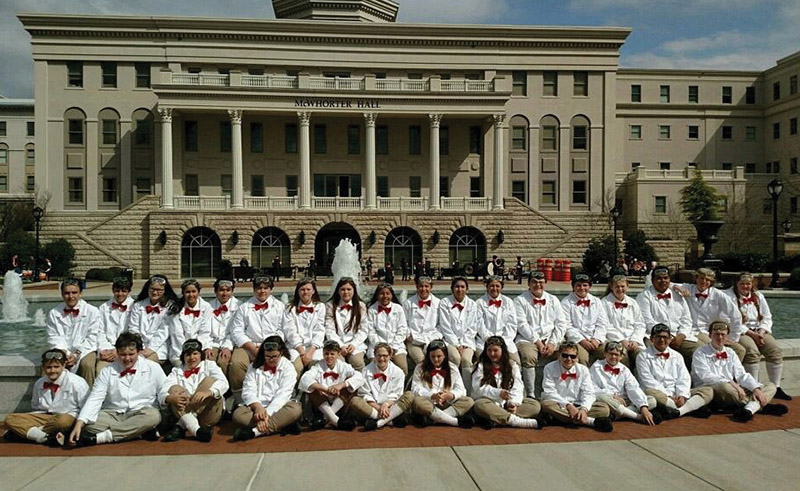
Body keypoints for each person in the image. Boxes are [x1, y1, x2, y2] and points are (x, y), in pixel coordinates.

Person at [67, 332, 165, 446]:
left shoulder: (153, 367)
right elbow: (95, 397)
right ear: (117, 353)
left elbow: (164, 390)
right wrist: (80, 423)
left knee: (153, 416)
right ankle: (139, 432)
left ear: (139, 352)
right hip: (113, 414)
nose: (127, 358)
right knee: (88, 425)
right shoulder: (107, 371)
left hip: (142, 412)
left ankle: (102, 438)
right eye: (123, 354)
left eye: (131, 354)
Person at [691, 320, 788, 422]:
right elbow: (706, 376)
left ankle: (748, 409)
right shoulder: (700, 353)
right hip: (712, 388)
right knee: (725, 387)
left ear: (727, 336)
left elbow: (741, 374)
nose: (720, 337)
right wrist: (732, 383)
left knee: (771, 386)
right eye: (716, 334)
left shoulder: (730, 352)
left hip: (733, 390)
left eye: (723, 334)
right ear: (710, 335)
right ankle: (759, 405)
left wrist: (755, 389)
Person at [724, 272, 792, 401]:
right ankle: (753, 387)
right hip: (741, 331)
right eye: (742, 283)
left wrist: (761, 331)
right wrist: (752, 334)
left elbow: (767, 316)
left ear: (752, 284)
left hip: (759, 330)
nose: (745, 286)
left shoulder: (758, 296)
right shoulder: (729, 297)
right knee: (752, 352)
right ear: (736, 284)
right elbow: (731, 320)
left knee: (775, 351)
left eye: (748, 283)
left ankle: (776, 387)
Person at [2, 349, 89, 445]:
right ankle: (45, 437)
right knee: (10, 419)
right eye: (48, 367)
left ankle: (26, 434)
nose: (52, 371)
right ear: (43, 367)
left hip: (67, 416)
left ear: (64, 365)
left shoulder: (77, 383)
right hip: (44, 416)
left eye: (56, 367)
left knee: (63, 422)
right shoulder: (39, 383)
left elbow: (86, 408)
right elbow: (35, 406)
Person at [229, 276, 290, 398]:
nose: (262, 291)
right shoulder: (244, 308)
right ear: (254, 289)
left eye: (266, 288)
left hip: (273, 346)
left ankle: (277, 396)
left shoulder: (279, 307)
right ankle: (240, 399)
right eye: (259, 288)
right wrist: (252, 348)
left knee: (288, 363)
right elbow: (236, 331)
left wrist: (270, 346)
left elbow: (282, 329)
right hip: (248, 345)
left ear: (271, 289)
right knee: (236, 364)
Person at [232, 336, 303, 440]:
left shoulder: (288, 367)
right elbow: (248, 390)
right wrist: (257, 407)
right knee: (238, 415)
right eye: (267, 356)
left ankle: (254, 432)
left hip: (280, 407)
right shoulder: (253, 366)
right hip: (257, 408)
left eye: (274, 356)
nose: (270, 360)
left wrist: (266, 415)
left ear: (281, 353)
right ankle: (281, 425)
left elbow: (283, 394)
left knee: (295, 410)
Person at [635, 323, 713, 419]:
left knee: (708, 391)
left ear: (670, 339)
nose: (662, 340)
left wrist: (682, 395)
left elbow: (684, 378)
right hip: (660, 395)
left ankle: (679, 411)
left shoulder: (677, 356)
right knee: (649, 391)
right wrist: (669, 396)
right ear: (652, 339)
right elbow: (647, 381)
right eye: (658, 337)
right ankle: (689, 408)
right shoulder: (642, 356)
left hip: (677, 394)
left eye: (665, 337)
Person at [160, 339, 228, 443]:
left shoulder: (209, 365)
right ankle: (197, 431)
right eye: (188, 355)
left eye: (195, 353)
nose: (192, 358)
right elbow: (162, 391)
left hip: (208, 414)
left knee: (209, 381)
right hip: (184, 412)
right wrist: (170, 398)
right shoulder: (176, 371)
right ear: (183, 357)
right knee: (174, 389)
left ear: (201, 355)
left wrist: (208, 392)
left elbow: (224, 383)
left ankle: (181, 426)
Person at [514, 271, 569, 397]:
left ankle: (558, 393)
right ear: (528, 284)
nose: (538, 284)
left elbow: (561, 324)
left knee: (564, 355)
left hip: (550, 338)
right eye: (534, 281)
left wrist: (552, 343)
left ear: (545, 283)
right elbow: (522, 325)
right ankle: (531, 394)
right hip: (528, 339)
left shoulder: (553, 300)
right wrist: (538, 342)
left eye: (541, 282)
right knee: (528, 356)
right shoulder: (520, 300)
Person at [471, 336, 543, 429]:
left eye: (495, 350)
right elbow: (478, 388)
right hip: (490, 402)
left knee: (534, 405)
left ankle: (497, 419)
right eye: (489, 350)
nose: (492, 354)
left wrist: (512, 403)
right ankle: (516, 421)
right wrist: (498, 393)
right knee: (479, 405)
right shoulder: (480, 366)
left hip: (507, 404)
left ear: (502, 350)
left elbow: (517, 386)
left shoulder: (512, 365)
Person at [540, 342, 613, 432]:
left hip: (578, 404)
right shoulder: (549, 368)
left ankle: (561, 419)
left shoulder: (583, 370)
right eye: (565, 355)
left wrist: (584, 409)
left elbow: (588, 392)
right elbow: (549, 392)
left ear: (577, 357)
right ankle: (591, 421)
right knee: (546, 404)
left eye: (572, 356)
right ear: (559, 356)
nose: (569, 359)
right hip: (559, 404)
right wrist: (568, 406)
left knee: (604, 409)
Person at [636, 266, 699, 368]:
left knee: (699, 349)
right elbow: (648, 321)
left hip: (678, 336)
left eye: (666, 278)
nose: (663, 281)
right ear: (652, 281)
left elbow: (686, 320)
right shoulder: (644, 297)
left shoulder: (677, 295)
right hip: (655, 337)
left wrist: (681, 336)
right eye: (659, 278)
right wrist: (667, 336)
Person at [677, 268, 745, 361]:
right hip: (691, 330)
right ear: (696, 278)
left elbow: (735, 315)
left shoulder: (718, 294)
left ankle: (731, 374)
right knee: (709, 350)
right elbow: (668, 284)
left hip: (709, 331)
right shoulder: (688, 288)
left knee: (739, 350)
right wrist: (677, 288)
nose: (704, 282)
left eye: (708, 280)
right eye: (701, 278)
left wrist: (732, 337)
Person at [46, 277, 102, 387]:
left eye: (74, 292)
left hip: (85, 350)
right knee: (49, 365)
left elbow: (93, 337)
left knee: (87, 365)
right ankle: (51, 397)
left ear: (80, 293)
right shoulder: (54, 313)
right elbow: (53, 337)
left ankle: (87, 397)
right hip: (61, 350)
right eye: (67, 293)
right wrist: (64, 354)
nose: (70, 296)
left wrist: (76, 354)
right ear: (62, 294)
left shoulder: (92, 311)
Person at [298, 340, 364, 431]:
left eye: (332, 354)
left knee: (351, 387)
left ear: (338, 354)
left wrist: (341, 385)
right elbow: (305, 379)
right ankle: (336, 421)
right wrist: (324, 389)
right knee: (311, 389)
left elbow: (359, 377)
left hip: (340, 403)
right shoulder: (318, 366)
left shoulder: (344, 366)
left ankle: (325, 419)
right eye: (326, 354)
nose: (329, 357)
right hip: (322, 404)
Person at [589, 342, 659, 425]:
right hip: (608, 400)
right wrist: (612, 396)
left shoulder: (624, 369)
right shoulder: (596, 367)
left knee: (651, 400)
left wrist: (643, 408)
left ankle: (619, 415)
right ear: (605, 354)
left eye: (617, 355)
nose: (613, 357)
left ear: (621, 356)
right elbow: (593, 388)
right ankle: (636, 416)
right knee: (602, 397)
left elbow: (633, 388)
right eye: (611, 354)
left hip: (625, 401)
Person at [409, 340, 475, 427]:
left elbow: (461, 389)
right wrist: (432, 395)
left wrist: (451, 395)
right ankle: (454, 421)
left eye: (439, 356)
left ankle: (434, 419)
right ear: (428, 356)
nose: (436, 359)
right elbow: (415, 388)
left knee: (469, 401)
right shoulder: (420, 367)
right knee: (417, 401)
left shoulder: (452, 368)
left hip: (447, 403)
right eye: (433, 356)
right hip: (429, 403)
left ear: (445, 356)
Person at [353, 343, 414, 431]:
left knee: (409, 395)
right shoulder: (366, 371)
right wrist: (379, 408)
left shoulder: (398, 372)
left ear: (390, 356)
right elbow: (364, 394)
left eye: (385, 356)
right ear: (374, 355)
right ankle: (390, 420)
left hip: (391, 406)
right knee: (355, 401)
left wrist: (386, 405)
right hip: (373, 407)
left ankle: (378, 423)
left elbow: (397, 394)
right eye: (379, 355)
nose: (382, 359)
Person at [438, 276, 482, 393]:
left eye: (463, 287)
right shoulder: (444, 303)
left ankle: (467, 392)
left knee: (467, 360)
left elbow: (473, 327)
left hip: (467, 342)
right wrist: (457, 345)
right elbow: (445, 326)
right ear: (452, 289)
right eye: (457, 287)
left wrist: (463, 343)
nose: (460, 289)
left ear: (467, 289)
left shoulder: (472, 304)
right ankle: (451, 389)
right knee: (455, 358)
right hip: (450, 341)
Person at [128, 274, 178, 364]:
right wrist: (140, 347)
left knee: (143, 364)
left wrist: (150, 348)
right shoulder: (137, 305)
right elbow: (133, 328)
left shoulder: (170, 307)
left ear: (165, 291)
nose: (155, 293)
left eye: (159, 290)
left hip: (158, 348)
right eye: (152, 289)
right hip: (138, 347)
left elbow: (164, 331)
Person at [561, 273, 609, 366]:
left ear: (590, 287)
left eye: (585, 285)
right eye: (578, 285)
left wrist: (596, 339)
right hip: (576, 340)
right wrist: (582, 340)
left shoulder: (596, 301)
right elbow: (567, 326)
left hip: (595, 339)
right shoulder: (566, 303)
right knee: (581, 358)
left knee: (611, 353)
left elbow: (602, 323)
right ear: (573, 287)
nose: (582, 288)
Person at [601, 275, 646, 369]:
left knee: (642, 356)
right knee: (622, 357)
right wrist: (621, 340)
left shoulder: (633, 303)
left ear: (627, 286)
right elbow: (605, 325)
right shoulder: (604, 303)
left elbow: (640, 324)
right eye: (617, 286)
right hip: (614, 340)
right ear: (611, 287)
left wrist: (635, 340)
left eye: (622, 286)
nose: (620, 289)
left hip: (632, 340)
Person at [325, 277, 368, 371]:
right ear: (338, 291)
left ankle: (358, 384)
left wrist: (353, 344)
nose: (346, 292)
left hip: (355, 344)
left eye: (349, 289)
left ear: (354, 290)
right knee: (338, 363)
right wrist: (340, 346)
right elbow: (329, 329)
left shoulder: (361, 306)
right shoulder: (330, 305)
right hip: (336, 344)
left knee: (357, 362)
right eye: (342, 289)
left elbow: (363, 329)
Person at [283, 277, 326, 373]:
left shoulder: (320, 307)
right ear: (298, 291)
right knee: (296, 368)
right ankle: (295, 387)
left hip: (313, 347)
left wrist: (310, 352)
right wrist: (302, 353)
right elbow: (290, 331)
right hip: (295, 347)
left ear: (313, 291)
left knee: (317, 368)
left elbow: (319, 330)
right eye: (302, 290)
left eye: (308, 289)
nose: (305, 292)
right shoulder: (289, 308)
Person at [366, 283, 409, 375]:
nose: (385, 296)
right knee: (375, 368)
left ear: (392, 295)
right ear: (377, 295)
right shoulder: (371, 310)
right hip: (376, 346)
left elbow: (402, 329)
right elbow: (370, 331)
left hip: (396, 347)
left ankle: (398, 388)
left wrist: (393, 347)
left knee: (402, 367)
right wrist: (381, 347)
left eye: (387, 293)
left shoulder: (398, 308)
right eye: (381, 293)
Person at [168, 279, 213, 368]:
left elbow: (204, 332)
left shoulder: (206, 307)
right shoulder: (176, 308)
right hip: (180, 351)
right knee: (182, 368)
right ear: (183, 293)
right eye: (187, 292)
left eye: (193, 291)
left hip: (200, 349)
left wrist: (197, 352)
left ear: (198, 292)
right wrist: (186, 354)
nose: (191, 295)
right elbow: (177, 335)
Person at [476, 276, 520, 365]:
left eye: (497, 286)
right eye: (491, 286)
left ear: (501, 287)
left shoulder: (508, 302)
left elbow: (512, 324)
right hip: (485, 342)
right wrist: (490, 340)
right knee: (482, 363)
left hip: (505, 341)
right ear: (487, 287)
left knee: (516, 362)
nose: (494, 288)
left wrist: (502, 341)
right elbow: (479, 325)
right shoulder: (479, 303)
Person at [96, 276, 134, 376]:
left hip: (127, 351)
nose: (120, 294)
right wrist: (106, 350)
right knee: (101, 371)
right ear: (113, 290)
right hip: (108, 351)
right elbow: (100, 332)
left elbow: (134, 333)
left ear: (129, 292)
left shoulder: (136, 307)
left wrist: (119, 351)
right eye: (117, 291)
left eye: (124, 291)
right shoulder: (104, 307)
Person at [403, 276, 442, 368]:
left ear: (431, 287)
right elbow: (404, 323)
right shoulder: (408, 303)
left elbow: (441, 325)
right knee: (421, 361)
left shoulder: (438, 303)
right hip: (413, 340)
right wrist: (409, 336)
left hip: (432, 339)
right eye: (421, 286)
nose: (423, 289)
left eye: (426, 286)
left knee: (436, 359)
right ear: (416, 287)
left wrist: (431, 338)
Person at [208, 278, 241, 377]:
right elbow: (205, 330)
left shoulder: (239, 306)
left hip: (231, 342)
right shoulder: (208, 306)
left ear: (232, 291)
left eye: (228, 290)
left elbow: (236, 330)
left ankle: (227, 389)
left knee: (223, 361)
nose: (225, 293)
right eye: (221, 290)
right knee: (208, 361)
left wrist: (227, 347)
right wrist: (207, 347)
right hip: (212, 342)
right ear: (215, 291)